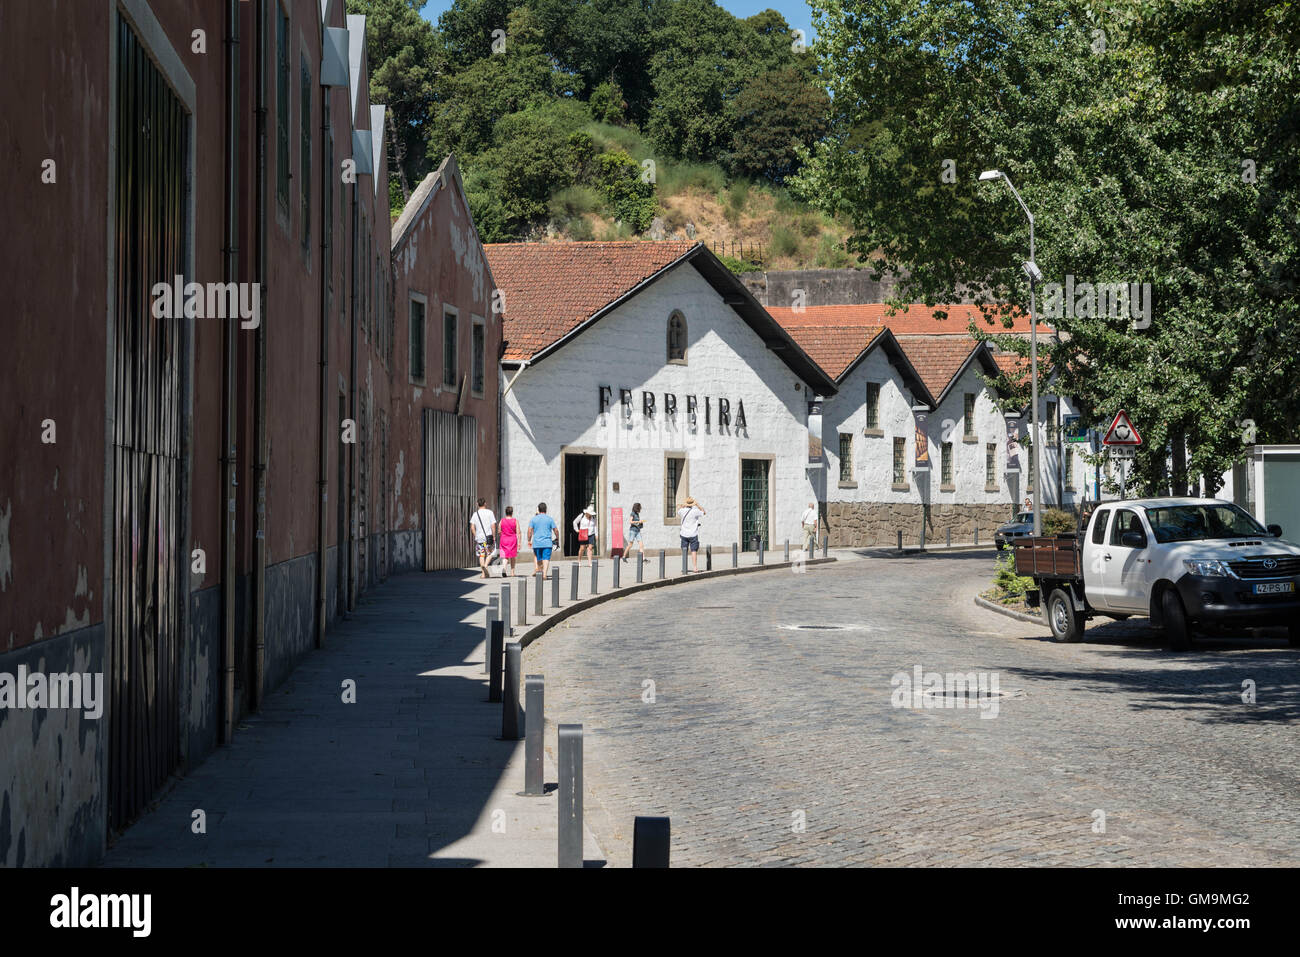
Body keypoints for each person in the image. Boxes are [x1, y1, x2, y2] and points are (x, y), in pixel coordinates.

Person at [527, 502, 559, 579]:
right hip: (547, 543)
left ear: (538, 509)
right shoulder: (550, 519)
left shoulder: (533, 519)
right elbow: (556, 530)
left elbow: (529, 530)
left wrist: (529, 539)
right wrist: (557, 538)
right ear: (546, 510)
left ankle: (540, 572)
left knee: (539, 559)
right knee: (546, 559)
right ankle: (544, 574)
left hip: (537, 543)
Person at [469, 497, 498, 579]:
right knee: (492, 552)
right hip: (488, 537)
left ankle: (483, 574)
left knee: (481, 555)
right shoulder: (490, 512)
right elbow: (493, 526)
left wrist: (476, 536)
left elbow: (472, 527)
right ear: (485, 503)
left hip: (480, 538)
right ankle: (485, 565)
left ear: (477, 504)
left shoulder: (475, 514)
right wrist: (494, 536)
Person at [677, 496, 706, 572]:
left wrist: (683, 505)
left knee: (684, 550)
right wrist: (697, 505)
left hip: (684, 534)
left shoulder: (682, 511)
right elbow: (704, 512)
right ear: (692, 504)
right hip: (693, 534)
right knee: (694, 551)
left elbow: (678, 510)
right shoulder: (695, 511)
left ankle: (684, 568)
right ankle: (695, 567)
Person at [498, 505, 519, 576]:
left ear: (505, 512)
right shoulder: (515, 521)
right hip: (512, 539)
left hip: (504, 539)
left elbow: (499, 531)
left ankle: (504, 568)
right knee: (513, 556)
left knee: (505, 556)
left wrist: (503, 534)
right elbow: (518, 532)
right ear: (512, 513)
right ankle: (512, 573)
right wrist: (520, 542)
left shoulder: (502, 520)